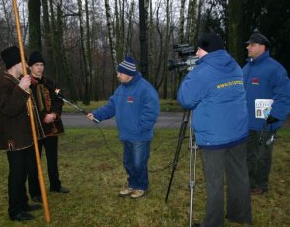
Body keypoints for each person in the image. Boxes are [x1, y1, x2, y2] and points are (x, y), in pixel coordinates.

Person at [177, 33, 252, 227]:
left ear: (206, 50)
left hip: (214, 139)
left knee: (215, 183)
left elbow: (186, 99)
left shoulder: (202, 72)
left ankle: (212, 223)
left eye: (199, 49)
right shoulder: (235, 65)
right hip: (238, 132)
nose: (196, 53)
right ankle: (239, 215)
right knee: (239, 177)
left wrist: (190, 73)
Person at [87, 57, 159, 199]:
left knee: (139, 163)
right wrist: (96, 115)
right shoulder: (120, 89)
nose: (118, 75)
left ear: (128, 73)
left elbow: (152, 111)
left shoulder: (145, 88)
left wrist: (140, 127)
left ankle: (141, 186)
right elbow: (110, 107)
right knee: (128, 163)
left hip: (140, 136)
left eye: (120, 73)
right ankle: (132, 184)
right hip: (125, 135)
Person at [0, 46, 41, 221]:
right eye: (24, 62)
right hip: (14, 138)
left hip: (25, 137)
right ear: (15, 64)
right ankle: (15, 210)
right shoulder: (3, 84)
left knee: (26, 171)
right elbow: (9, 109)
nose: (27, 65)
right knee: (17, 175)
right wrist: (21, 89)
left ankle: (23, 203)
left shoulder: (15, 81)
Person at [243, 31, 290, 195]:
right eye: (248, 44)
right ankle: (248, 183)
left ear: (262, 47)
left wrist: (275, 115)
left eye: (252, 44)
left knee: (262, 156)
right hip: (247, 122)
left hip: (266, 122)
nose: (248, 47)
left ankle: (261, 186)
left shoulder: (275, 68)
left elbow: (284, 94)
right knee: (248, 155)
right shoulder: (246, 67)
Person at [27, 51, 69, 203]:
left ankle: (55, 185)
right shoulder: (26, 84)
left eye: (41, 65)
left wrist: (54, 114)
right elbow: (28, 106)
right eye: (36, 65)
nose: (39, 68)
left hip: (52, 128)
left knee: (52, 159)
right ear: (30, 67)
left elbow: (59, 99)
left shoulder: (50, 82)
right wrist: (42, 115)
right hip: (35, 130)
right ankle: (35, 192)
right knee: (33, 162)